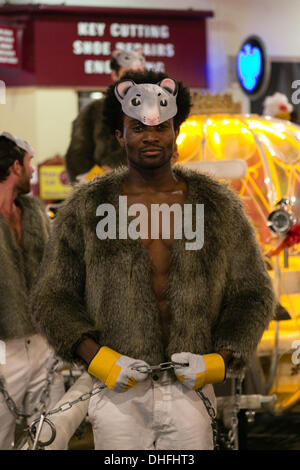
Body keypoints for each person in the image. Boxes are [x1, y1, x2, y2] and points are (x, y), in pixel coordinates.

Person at [31, 71, 275, 450]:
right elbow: (52, 297)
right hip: (118, 394)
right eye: (138, 127)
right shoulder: (87, 207)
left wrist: (219, 361)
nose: (150, 136)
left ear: (175, 131)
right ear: (120, 135)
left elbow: (253, 293)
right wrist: (99, 360)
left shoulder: (217, 204)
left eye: (161, 126)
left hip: (191, 391)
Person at [0, 133, 64, 450]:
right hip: (3, 347)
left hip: (42, 341)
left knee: (51, 436)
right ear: (15, 166)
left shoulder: (36, 213)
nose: (32, 170)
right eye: (29, 164)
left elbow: (57, 270)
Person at [65, 49, 146, 183]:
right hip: (102, 190)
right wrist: (97, 178)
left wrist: (113, 165)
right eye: (127, 74)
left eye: (138, 74)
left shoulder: (157, 110)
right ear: (114, 75)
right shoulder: (93, 111)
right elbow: (76, 157)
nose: (133, 79)